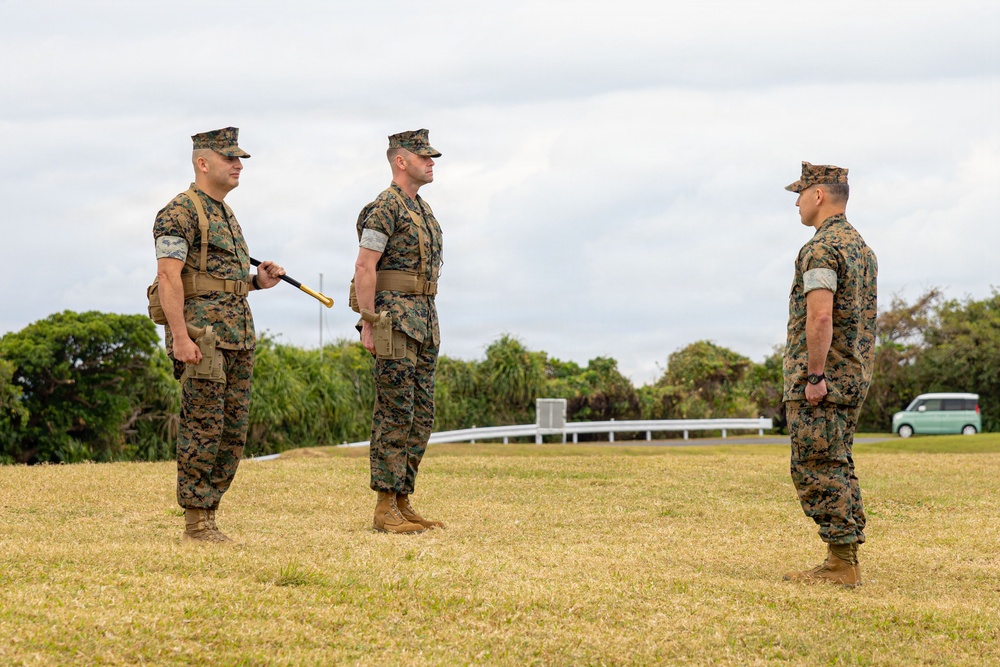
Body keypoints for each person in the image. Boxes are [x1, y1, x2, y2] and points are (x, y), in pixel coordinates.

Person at [153, 127, 285, 542]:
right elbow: (169, 277)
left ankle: (210, 510)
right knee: (203, 427)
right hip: (202, 338)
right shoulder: (179, 212)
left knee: (232, 429)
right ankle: (196, 520)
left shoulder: (226, 214)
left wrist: (256, 282)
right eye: (230, 159)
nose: (238, 165)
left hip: (238, 337)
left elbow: (219, 280)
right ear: (203, 163)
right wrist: (180, 338)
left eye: (240, 159)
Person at [781, 161, 878, 586]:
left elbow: (820, 318)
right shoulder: (862, 249)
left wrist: (815, 376)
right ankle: (845, 554)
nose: (797, 204)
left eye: (800, 194)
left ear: (818, 195)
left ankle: (841, 564)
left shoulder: (821, 248)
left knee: (816, 466)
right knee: (838, 463)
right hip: (854, 375)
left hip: (824, 380)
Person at [352, 129, 445, 534]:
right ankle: (384, 504)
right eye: (423, 156)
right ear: (400, 161)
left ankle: (403, 499)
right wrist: (368, 323)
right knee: (395, 411)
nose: (431, 162)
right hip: (394, 321)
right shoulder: (384, 208)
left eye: (432, 156)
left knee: (420, 413)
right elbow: (364, 267)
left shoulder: (422, 210)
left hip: (423, 321)